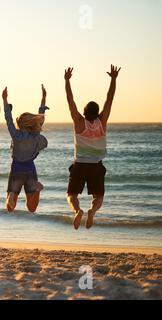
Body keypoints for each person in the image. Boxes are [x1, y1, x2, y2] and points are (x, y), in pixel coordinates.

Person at [64, 65, 121, 230]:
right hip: (96, 166)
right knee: (98, 197)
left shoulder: (79, 123)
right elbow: (109, 100)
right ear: (97, 113)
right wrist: (113, 79)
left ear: (84, 111)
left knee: (71, 195)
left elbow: (70, 101)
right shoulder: (102, 122)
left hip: (79, 165)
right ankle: (92, 211)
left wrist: (67, 81)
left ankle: (77, 211)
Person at [2, 85, 49, 213]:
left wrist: (5, 100)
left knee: (10, 208)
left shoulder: (15, 135)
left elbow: (8, 119)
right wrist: (43, 98)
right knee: (32, 208)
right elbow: (41, 117)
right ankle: (37, 190)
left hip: (16, 169)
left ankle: (11, 196)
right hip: (30, 170)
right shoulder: (36, 136)